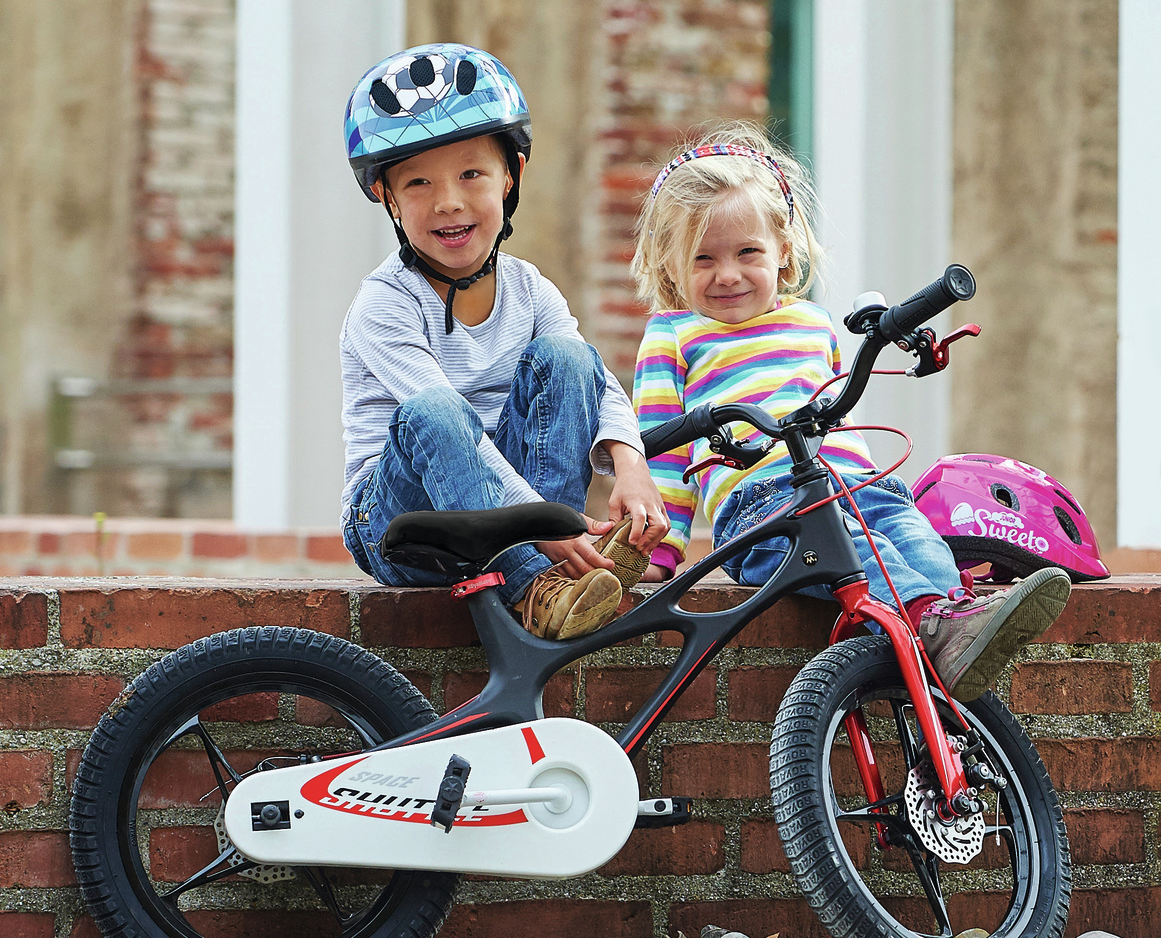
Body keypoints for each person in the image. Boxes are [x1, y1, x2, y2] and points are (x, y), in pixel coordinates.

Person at [629, 124, 1070, 703]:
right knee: (865, 555)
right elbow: (660, 452)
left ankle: (954, 623)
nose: (728, 273)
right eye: (704, 259)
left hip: (851, 481)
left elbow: (835, 402)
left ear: (783, 248)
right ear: (670, 264)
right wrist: (662, 551)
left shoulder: (812, 322)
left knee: (916, 535)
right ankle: (932, 626)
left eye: (747, 253)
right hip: (762, 505)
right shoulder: (673, 333)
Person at [341, 43, 669, 640]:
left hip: (511, 513)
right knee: (436, 411)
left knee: (570, 356)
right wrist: (544, 526)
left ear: (511, 176)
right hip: (399, 523)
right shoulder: (383, 305)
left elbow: (594, 384)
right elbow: (454, 431)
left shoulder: (529, 288)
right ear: (386, 197)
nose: (449, 201)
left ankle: (558, 573)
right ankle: (539, 583)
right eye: (417, 182)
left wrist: (632, 464)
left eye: (472, 173)